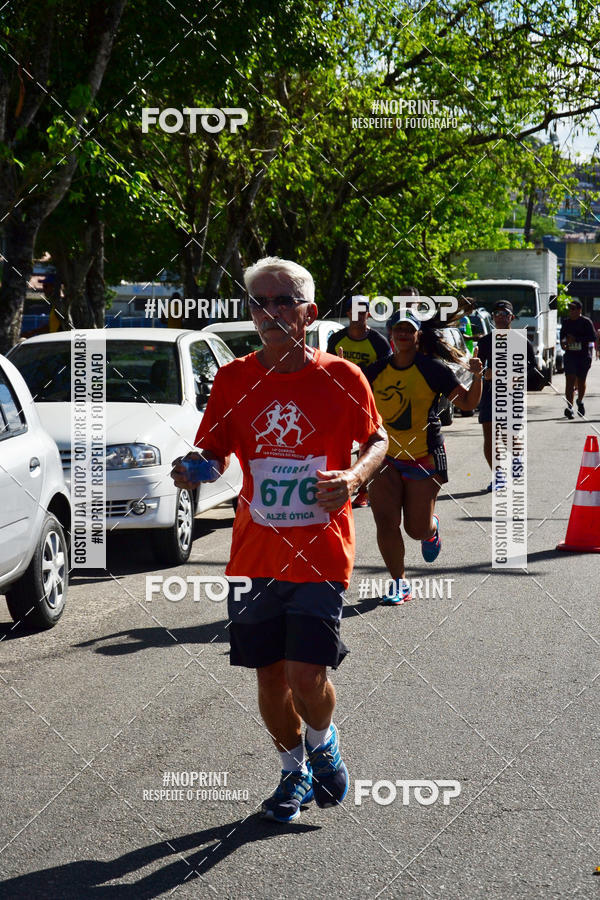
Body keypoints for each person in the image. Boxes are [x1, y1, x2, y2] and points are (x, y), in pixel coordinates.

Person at [171, 257, 388, 824]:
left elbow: (378, 440)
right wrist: (193, 466)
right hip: (253, 556)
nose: (269, 313)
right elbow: (213, 453)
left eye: (283, 301)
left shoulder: (343, 377)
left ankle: (324, 743)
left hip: (320, 553)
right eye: (259, 304)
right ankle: (293, 772)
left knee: (305, 674)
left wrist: (353, 478)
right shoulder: (234, 378)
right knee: (269, 676)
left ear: (309, 313)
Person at [367, 310, 483, 605]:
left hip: (423, 457)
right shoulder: (375, 371)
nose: (403, 334)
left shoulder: (432, 369)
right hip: (384, 457)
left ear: (418, 335)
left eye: (409, 329)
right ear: (391, 333)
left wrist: (478, 376)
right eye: (398, 329)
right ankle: (399, 583)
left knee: (415, 529)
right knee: (386, 522)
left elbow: (468, 402)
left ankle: (431, 529)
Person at [327, 296, 390, 507]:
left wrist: (355, 373)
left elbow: (386, 371)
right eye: (353, 310)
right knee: (339, 443)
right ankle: (338, 482)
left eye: (362, 311)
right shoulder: (336, 339)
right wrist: (340, 369)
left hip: (368, 400)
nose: (357, 315)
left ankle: (363, 489)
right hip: (340, 401)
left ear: (368, 314)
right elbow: (327, 367)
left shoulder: (378, 342)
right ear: (347, 313)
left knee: (367, 444)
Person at [476, 300, 536, 490]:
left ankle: (517, 457)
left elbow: (532, 370)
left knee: (507, 435)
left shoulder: (521, 342)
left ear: (512, 317)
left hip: (511, 395)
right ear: (492, 317)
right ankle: (499, 475)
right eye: (497, 314)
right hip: (489, 393)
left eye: (504, 314)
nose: (500, 317)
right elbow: (480, 367)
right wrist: (481, 372)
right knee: (490, 435)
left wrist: (514, 376)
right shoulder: (485, 342)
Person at [560, 299, 597, 418]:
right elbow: (562, 337)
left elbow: (593, 338)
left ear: (579, 310)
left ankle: (580, 402)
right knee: (569, 380)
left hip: (583, 356)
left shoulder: (586, 322)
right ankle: (569, 407)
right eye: (569, 309)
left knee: (581, 381)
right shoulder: (566, 322)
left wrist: (576, 339)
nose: (570, 311)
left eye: (573, 309)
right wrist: (563, 344)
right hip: (570, 355)